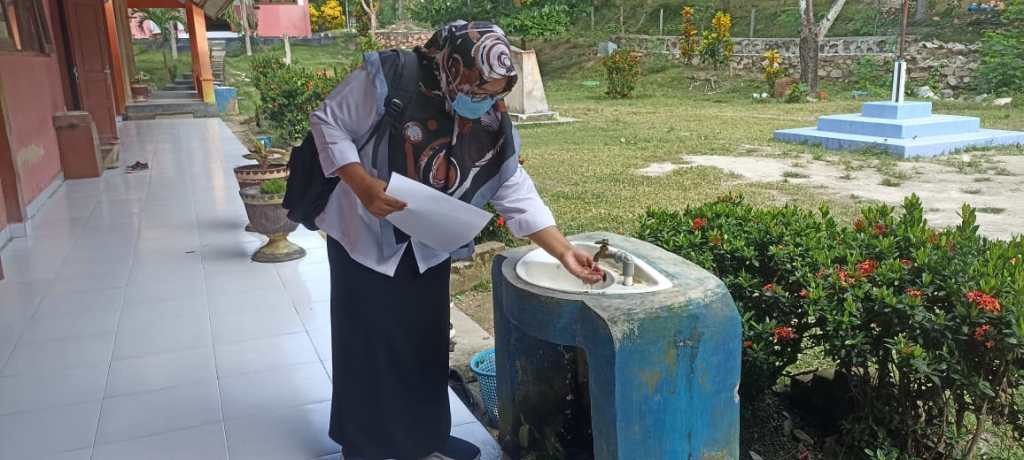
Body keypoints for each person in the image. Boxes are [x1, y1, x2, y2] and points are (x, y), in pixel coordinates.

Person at [309, 20, 604, 460]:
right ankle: (363, 444)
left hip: (428, 239)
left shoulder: (489, 117)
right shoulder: (390, 77)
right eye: (478, 90)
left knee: (425, 341)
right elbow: (327, 122)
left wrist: (563, 251)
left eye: (495, 93)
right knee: (368, 343)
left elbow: (512, 186)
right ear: (452, 67)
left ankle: (426, 435)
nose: (484, 102)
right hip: (364, 234)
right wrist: (362, 184)